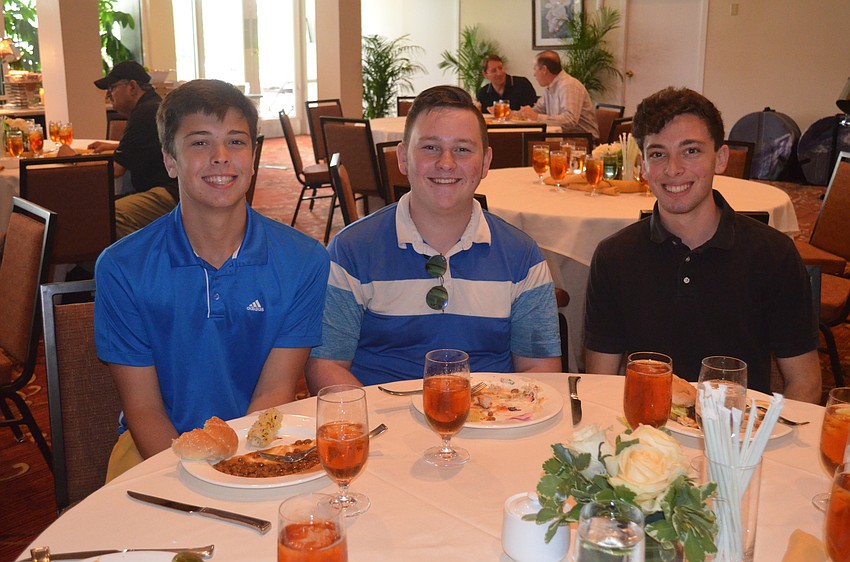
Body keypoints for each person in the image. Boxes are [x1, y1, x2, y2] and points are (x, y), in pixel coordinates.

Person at [94, 79, 330, 479]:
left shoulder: (303, 260)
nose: (221, 157)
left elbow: (274, 392)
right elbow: (143, 408)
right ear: (170, 160)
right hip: (153, 449)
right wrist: (191, 483)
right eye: (200, 143)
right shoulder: (123, 267)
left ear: (253, 156)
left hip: (260, 444)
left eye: (236, 142)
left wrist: (239, 471)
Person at [305, 85, 561, 393]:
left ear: (485, 162)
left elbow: (540, 370)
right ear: (402, 158)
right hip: (383, 428)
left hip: (493, 425)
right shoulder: (351, 251)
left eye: (463, 149)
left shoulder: (522, 256)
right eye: (430, 147)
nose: (446, 163)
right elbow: (326, 364)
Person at [584, 86, 821, 403]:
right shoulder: (614, 257)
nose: (673, 168)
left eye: (690, 151)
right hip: (648, 437)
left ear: (720, 158)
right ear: (643, 167)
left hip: (738, 437)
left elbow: (804, 382)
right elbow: (599, 384)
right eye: (658, 154)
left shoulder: (773, 254)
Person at [89, 61, 179, 238]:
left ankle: (145, 263)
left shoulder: (144, 113)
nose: (108, 95)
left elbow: (116, 170)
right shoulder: (153, 106)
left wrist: (73, 159)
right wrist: (113, 146)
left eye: (112, 88)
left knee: (110, 215)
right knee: (102, 207)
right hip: (172, 187)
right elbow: (148, 146)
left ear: (132, 86)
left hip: (171, 192)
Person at [519, 50, 598, 139]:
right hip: (561, 138)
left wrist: (537, 117)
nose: (534, 74)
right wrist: (516, 114)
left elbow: (570, 120)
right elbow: (537, 110)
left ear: (544, 69)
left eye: (535, 69)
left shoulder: (569, 85)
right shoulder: (550, 87)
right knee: (523, 143)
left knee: (527, 145)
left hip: (581, 141)